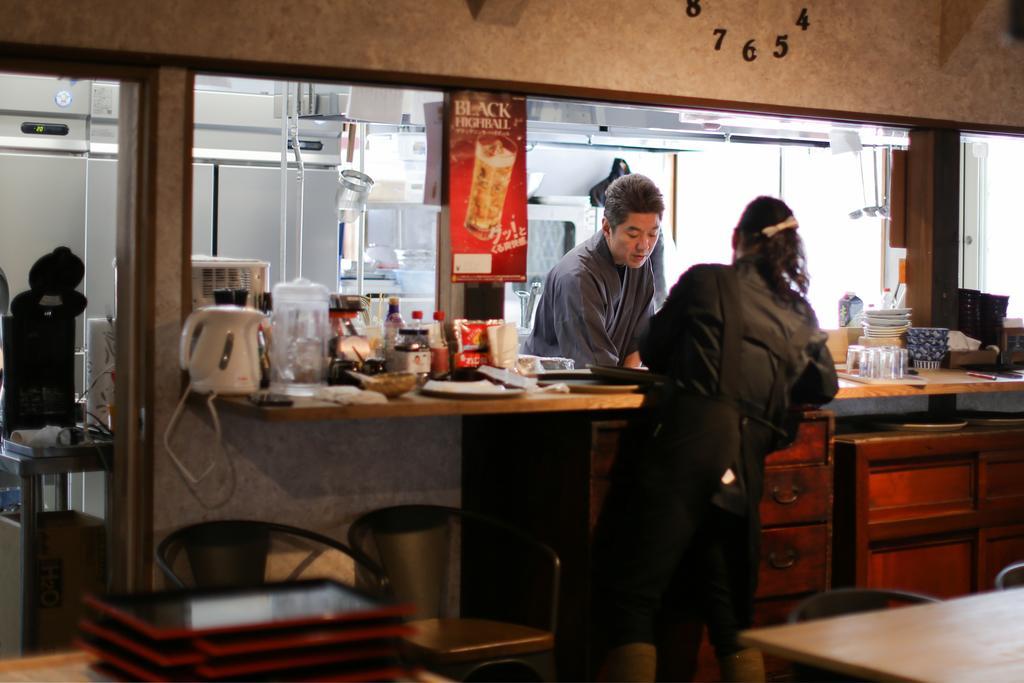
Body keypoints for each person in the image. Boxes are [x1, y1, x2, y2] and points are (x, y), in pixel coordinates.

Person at [591, 196, 838, 682]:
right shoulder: (799, 314)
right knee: (731, 620)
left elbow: (657, 349)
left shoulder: (705, 281)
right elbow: (824, 386)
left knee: (634, 601)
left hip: (685, 451)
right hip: (741, 470)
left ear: (738, 240)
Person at [522, 174, 664, 368]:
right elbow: (593, 366)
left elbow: (638, 341)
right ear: (606, 227)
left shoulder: (638, 261)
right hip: (554, 388)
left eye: (653, 234)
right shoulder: (577, 277)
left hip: (603, 383)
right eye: (633, 234)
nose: (644, 246)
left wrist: (627, 386)